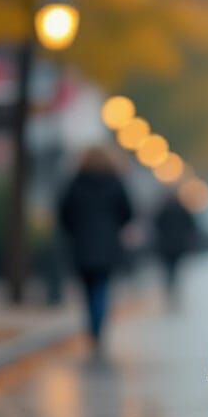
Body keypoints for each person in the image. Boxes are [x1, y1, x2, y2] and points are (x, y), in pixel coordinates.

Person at [57, 146, 133, 348]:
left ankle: (92, 326)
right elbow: (128, 212)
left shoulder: (76, 183)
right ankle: (98, 328)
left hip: (81, 245)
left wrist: (74, 229)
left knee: (88, 288)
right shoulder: (115, 183)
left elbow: (64, 212)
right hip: (108, 245)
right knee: (102, 286)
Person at [152, 191, 198, 299]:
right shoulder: (181, 210)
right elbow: (191, 226)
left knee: (170, 269)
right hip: (174, 246)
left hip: (168, 246)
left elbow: (156, 226)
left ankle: (171, 289)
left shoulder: (163, 211)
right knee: (172, 269)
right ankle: (172, 289)